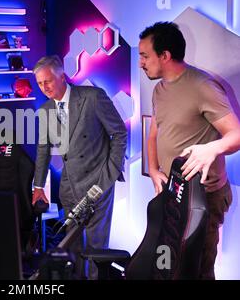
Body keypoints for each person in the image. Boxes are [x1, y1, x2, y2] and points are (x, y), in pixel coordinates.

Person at [139, 21, 240, 279]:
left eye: (145, 56)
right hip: (174, 193)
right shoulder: (159, 88)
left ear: (165, 55)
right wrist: (152, 169)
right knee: (172, 266)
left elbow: (237, 134)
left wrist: (212, 149)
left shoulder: (203, 86)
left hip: (204, 196)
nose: (141, 62)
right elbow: (154, 134)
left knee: (199, 269)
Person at [32, 55, 127, 280]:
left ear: (62, 77)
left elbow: (119, 133)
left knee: (96, 249)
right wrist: (38, 186)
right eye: (39, 83)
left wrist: (111, 173)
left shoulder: (92, 97)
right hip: (69, 187)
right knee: (71, 250)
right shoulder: (45, 110)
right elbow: (43, 150)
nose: (44, 87)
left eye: (48, 81)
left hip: (98, 184)